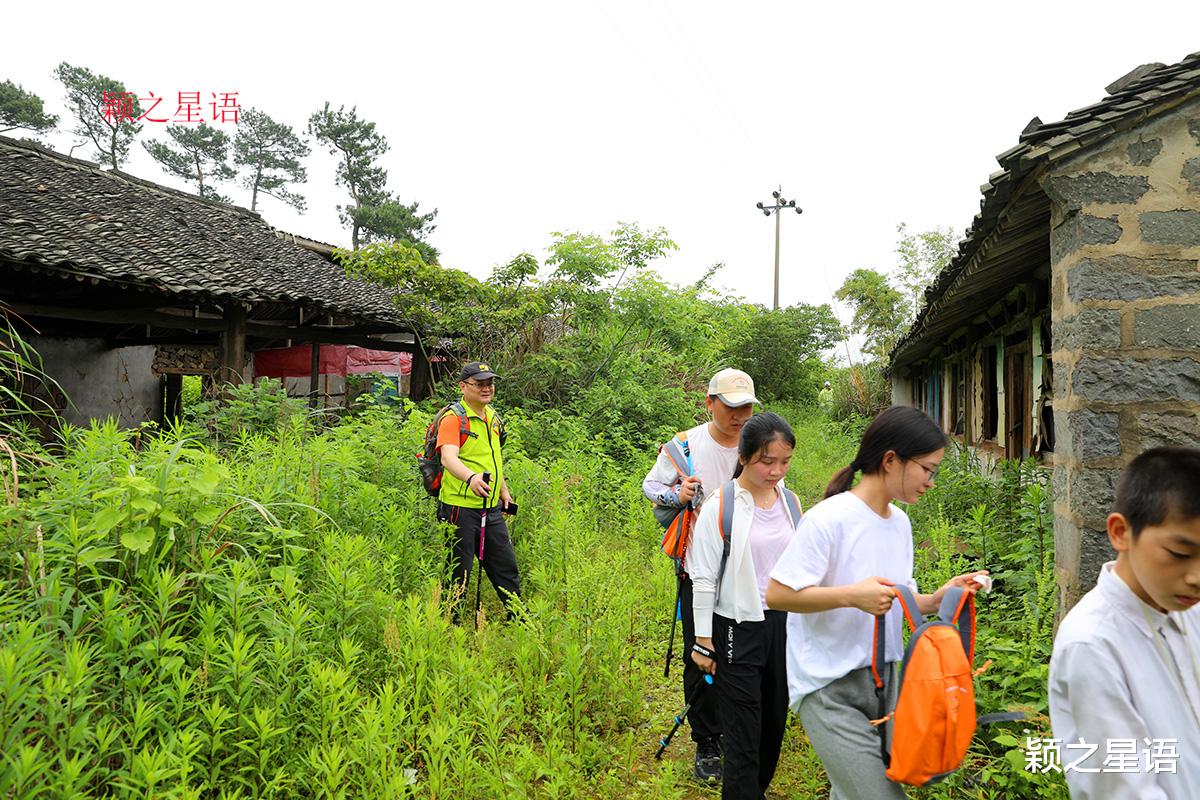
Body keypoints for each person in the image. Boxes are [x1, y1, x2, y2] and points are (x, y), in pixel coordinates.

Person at [764, 406, 986, 800]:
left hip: (887, 680)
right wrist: (852, 596)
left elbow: (899, 596)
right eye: (928, 469)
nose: (931, 481)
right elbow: (778, 594)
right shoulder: (829, 519)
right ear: (890, 460)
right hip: (827, 686)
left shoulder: (899, 523)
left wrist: (938, 598)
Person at [1049, 446, 1200, 799]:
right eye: (1179, 554)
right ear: (1120, 532)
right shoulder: (1093, 645)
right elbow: (1124, 789)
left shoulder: (1188, 610)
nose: (1196, 577)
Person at [643, 367, 759, 783]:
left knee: (744, 653)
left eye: (746, 407)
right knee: (703, 652)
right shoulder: (685, 445)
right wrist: (678, 494)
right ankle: (708, 740)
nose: (739, 415)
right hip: (699, 569)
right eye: (730, 406)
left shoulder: (758, 443)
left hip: (749, 571)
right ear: (709, 403)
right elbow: (651, 486)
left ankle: (740, 730)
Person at [688, 412, 802, 800]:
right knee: (742, 729)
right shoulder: (721, 506)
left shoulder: (791, 501)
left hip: (783, 623)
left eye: (784, 462)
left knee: (774, 718)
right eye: (767, 461)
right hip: (737, 624)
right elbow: (702, 577)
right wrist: (703, 641)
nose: (776, 470)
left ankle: (754, 790)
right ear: (744, 456)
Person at [436, 361, 521, 620]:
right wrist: (471, 478)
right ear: (463, 387)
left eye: (490, 383)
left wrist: (503, 490)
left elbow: (493, 459)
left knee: (505, 565)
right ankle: (451, 624)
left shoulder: (493, 417)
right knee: (458, 570)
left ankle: (518, 618)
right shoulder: (453, 419)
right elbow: (448, 459)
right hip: (459, 508)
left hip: (490, 506)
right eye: (479, 384)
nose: (486, 388)